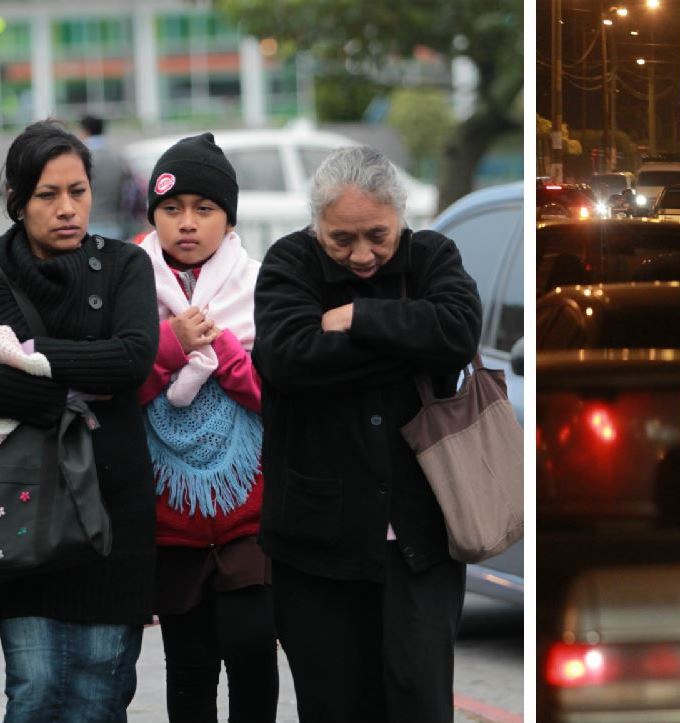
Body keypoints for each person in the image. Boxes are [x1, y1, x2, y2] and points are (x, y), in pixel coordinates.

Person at [252, 145, 482, 722]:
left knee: (420, 701)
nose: (362, 256)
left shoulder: (432, 256)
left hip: (420, 541)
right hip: (317, 545)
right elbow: (289, 358)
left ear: (400, 217)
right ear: (316, 227)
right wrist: (409, 348)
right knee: (334, 706)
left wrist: (357, 319)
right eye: (341, 239)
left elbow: (457, 331)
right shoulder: (289, 263)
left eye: (377, 236)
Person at [0, 120, 159, 721]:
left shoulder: (125, 266)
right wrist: (74, 393)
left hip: (111, 510)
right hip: (21, 507)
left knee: (98, 692)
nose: (67, 209)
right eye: (47, 195)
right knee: (35, 688)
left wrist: (28, 355)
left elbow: (132, 359)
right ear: (17, 200)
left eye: (78, 191)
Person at [137, 133, 278, 722]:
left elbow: (278, 397)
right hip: (171, 523)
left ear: (229, 218)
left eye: (205, 209)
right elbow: (119, 391)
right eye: (172, 209)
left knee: (252, 660)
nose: (187, 223)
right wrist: (171, 346)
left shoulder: (260, 286)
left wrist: (221, 352)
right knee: (189, 672)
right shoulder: (129, 284)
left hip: (250, 516)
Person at [77, 114, 138, 241]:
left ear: (85, 131)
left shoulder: (81, 159)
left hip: (88, 223)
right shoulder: (118, 157)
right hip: (116, 224)